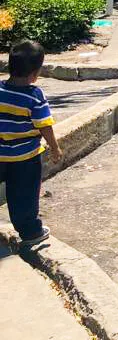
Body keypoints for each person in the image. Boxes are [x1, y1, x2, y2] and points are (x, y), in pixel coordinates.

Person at [0, 40, 63, 246]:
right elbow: (44, 125)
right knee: (24, 196)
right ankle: (31, 232)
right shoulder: (34, 96)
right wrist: (55, 147)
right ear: (35, 73)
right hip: (25, 158)